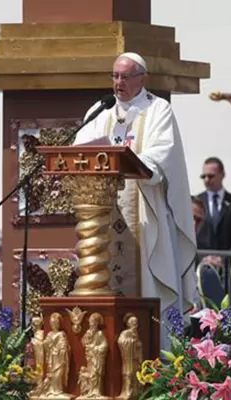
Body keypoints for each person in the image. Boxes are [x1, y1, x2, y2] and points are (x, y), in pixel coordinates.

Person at [72, 52, 198, 346]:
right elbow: (79, 147)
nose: (118, 83)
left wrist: (131, 161)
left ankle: (155, 358)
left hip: (143, 215)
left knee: (148, 283)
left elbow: (161, 154)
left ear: (143, 78)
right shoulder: (100, 111)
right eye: (114, 76)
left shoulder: (158, 110)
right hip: (103, 219)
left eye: (125, 77)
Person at [195, 157, 231, 268]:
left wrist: (224, 258)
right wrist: (203, 258)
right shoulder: (195, 203)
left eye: (211, 176)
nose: (206, 180)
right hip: (200, 266)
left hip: (228, 268)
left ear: (222, 175)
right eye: (203, 176)